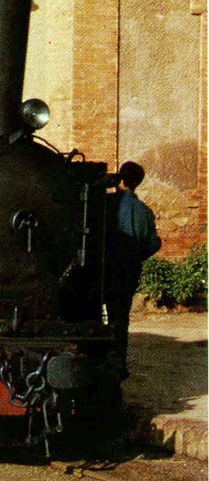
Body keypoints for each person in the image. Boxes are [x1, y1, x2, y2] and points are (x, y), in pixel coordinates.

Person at [106, 161, 161, 377]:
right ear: (138, 183)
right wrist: (136, 255)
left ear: (120, 178)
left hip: (97, 271)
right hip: (126, 272)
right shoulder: (144, 212)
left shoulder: (103, 203)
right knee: (119, 318)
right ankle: (117, 363)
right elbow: (153, 243)